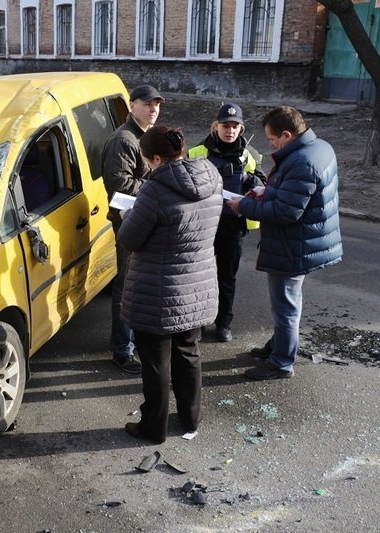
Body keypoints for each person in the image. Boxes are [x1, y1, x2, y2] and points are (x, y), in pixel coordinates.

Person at [117, 126, 222, 444]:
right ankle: (191, 418)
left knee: (156, 363)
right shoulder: (212, 177)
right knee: (189, 354)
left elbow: (130, 239)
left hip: (158, 292)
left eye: (147, 160)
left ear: (157, 159)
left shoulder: (154, 190)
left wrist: (127, 216)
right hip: (197, 287)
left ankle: (153, 427)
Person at [227, 106, 342, 380]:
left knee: (286, 306)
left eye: (272, 139)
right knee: (289, 302)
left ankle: (281, 363)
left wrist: (243, 206)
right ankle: (279, 346)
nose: (271, 145)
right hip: (302, 242)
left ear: (287, 135)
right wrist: (268, 191)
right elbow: (297, 194)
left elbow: (285, 212)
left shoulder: (301, 161)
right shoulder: (318, 148)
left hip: (292, 246)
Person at [188, 103, 266, 343]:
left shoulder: (249, 153)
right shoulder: (198, 151)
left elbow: (263, 183)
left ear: (241, 128)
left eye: (234, 126)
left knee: (227, 277)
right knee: (199, 276)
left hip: (233, 224)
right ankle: (199, 322)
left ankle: (223, 323)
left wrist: (250, 180)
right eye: (225, 125)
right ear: (216, 126)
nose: (230, 130)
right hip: (204, 223)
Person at [101, 84, 164, 375]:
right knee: (127, 286)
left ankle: (134, 340)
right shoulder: (124, 139)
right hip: (128, 222)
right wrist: (159, 183)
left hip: (145, 219)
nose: (153, 109)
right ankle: (122, 349)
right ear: (131, 105)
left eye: (157, 104)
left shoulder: (148, 136)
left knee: (140, 285)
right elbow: (120, 185)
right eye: (147, 104)